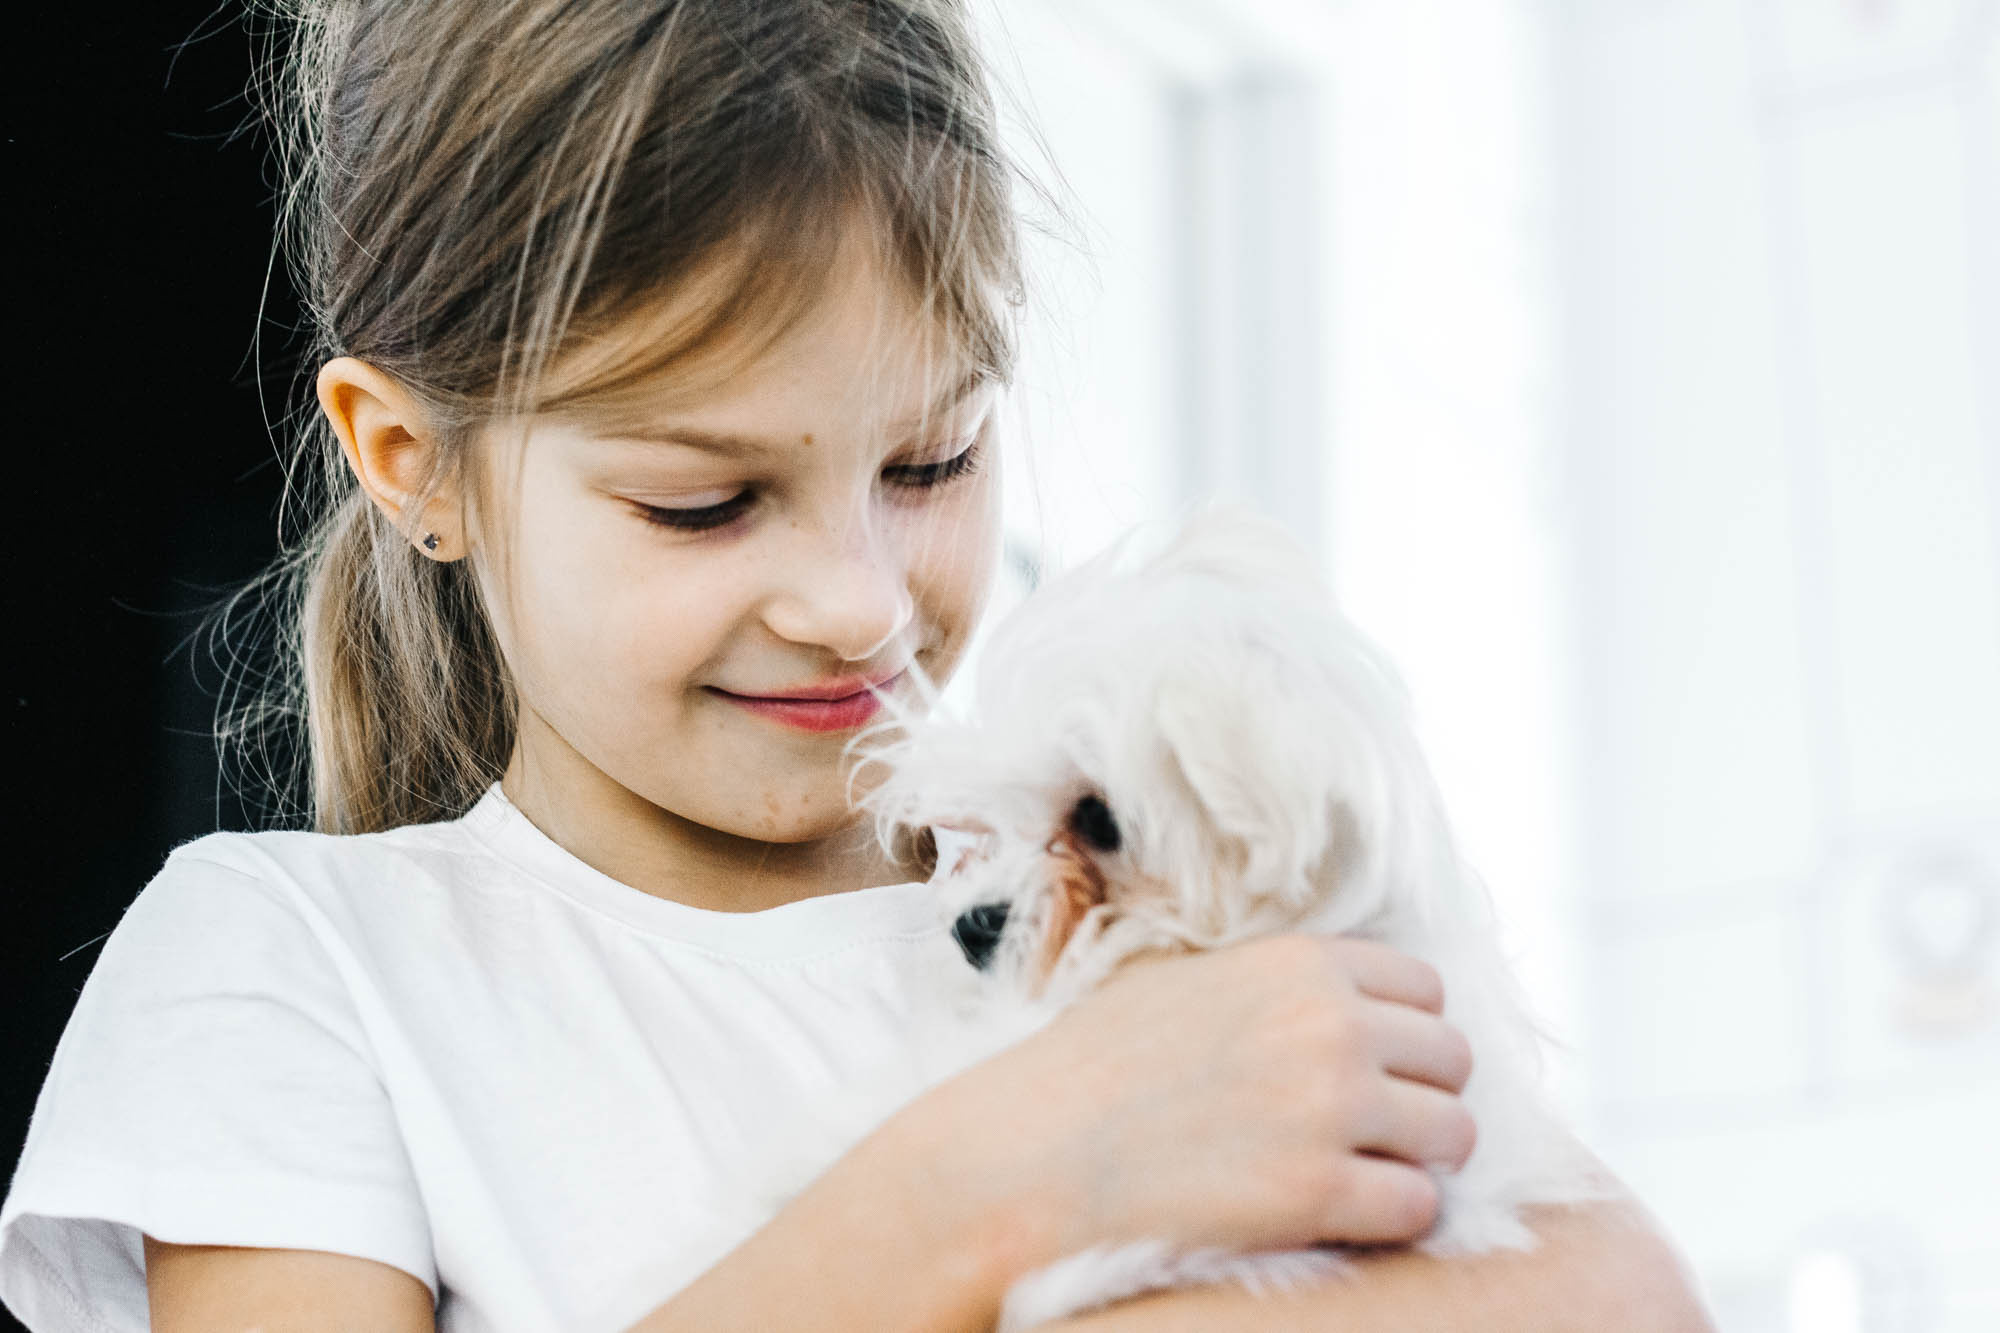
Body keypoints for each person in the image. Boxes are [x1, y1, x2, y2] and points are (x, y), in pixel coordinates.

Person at [0, 1, 1711, 1329]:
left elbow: (1629, 1295)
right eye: (707, 499)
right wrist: (1014, 1172)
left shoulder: (1141, 881)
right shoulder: (292, 974)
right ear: (414, 459)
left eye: (932, 464)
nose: (862, 605)